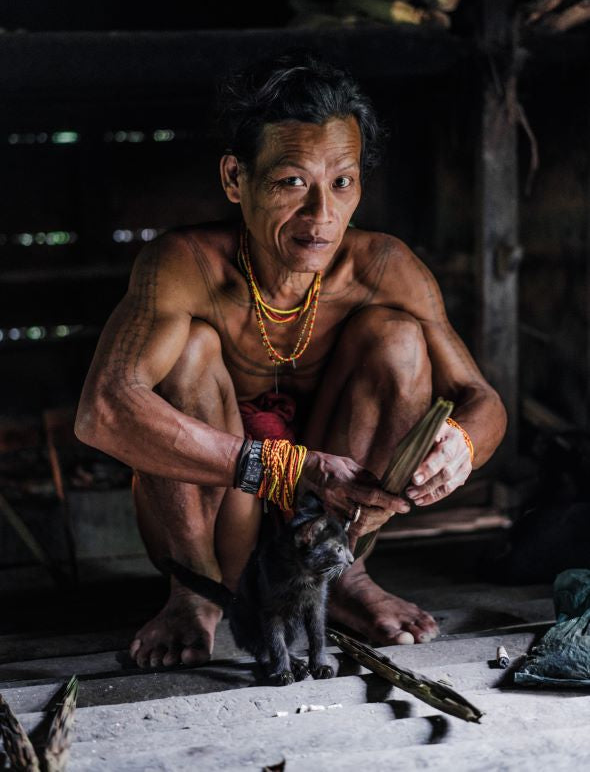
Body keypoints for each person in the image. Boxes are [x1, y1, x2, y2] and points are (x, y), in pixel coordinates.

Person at [75, 54, 506, 669]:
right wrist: (274, 466)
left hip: (331, 523)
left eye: (342, 182)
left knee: (400, 339)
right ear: (234, 179)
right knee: (189, 350)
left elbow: (482, 399)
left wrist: (461, 443)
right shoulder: (186, 266)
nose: (321, 216)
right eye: (291, 182)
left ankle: (346, 578)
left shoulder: (384, 267)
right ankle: (195, 594)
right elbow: (103, 410)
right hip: (220, 516)